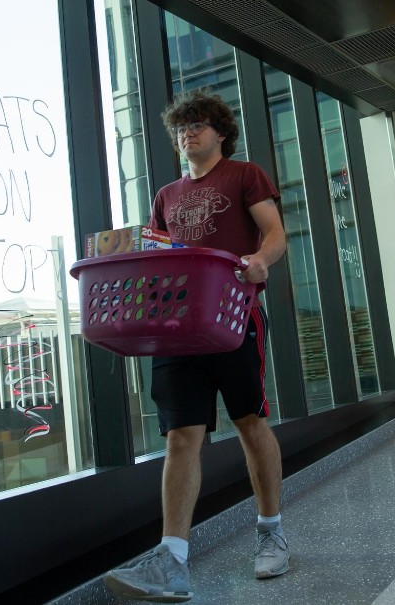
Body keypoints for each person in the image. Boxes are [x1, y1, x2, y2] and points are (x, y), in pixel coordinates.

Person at [105, 90, 288, 604]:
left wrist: (259, 261)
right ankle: (173, 560)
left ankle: (270, 529)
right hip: (177, 325)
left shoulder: (244, 174)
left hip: (232, 315)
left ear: (221, 132)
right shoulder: (165, 195)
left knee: (249, 422)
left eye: (199, 125)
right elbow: (157, 256)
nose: (189, 133)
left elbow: (274, 232)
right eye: (182, 128)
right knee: (181, 435)